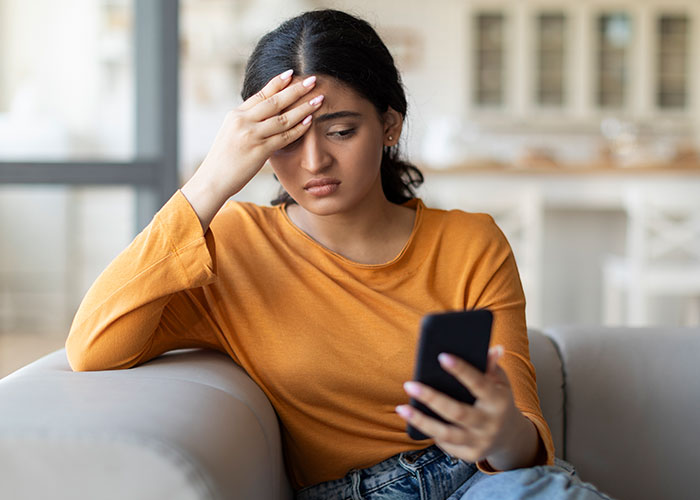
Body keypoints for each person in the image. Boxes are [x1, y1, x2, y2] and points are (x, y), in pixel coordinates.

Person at [65, 9, 614, 500]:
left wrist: (504, 434)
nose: (313, 162)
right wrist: (208, 183)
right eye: (284, 139)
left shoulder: (469, 243)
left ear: (389, 126)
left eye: (341, 131)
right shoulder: (234, 245)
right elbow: (93, 346)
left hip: (487, 483)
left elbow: (522, 445)